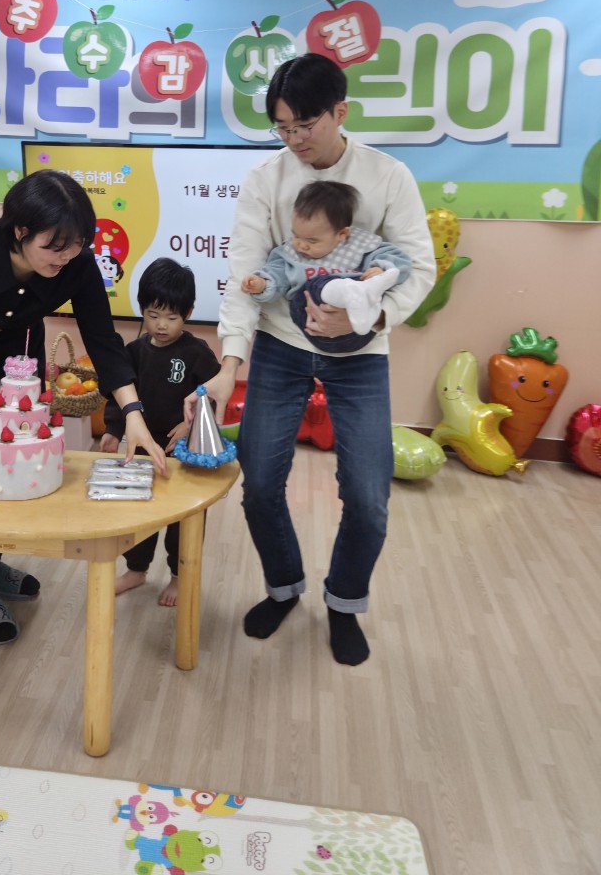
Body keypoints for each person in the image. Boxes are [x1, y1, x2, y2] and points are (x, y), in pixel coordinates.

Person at [188, 54, 434, 666]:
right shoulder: (265, 180)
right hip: (281, 345)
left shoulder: (388, 177)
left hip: (360, 355)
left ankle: (344, 603)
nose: (294, 139)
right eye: (282, 127)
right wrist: (229, 364)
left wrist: (371, 317)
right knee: (260, 484)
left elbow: (419, 266)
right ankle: (284, 587)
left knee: (369, 497)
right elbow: (246, 275)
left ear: (339, 112)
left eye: (305, 125)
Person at [0, 171, 166, 646]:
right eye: (54, 247)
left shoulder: (75, 263)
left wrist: (133, 414)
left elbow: (103, 339)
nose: (66, 257)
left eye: (77, 245)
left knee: (13, 469)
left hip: (16, 372)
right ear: (20, 230)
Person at [100, 258, 220, 607]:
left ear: (189, 313)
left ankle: (180, 575)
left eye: (171, 317)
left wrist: (191, 423)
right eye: (153, 315)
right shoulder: (135, 352)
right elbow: (121, 394)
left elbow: (211, 395)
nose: (161, 325)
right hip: (143, 451)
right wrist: (113, 429)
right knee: (139, 513)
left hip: (184, 454)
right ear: (142, 309)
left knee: (184, 519)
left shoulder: (197, 353)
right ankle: (136, 570)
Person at [241, 180, 412, 353]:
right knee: (314, 287)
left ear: (342, 234)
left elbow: (400, 259)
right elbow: (276, 274)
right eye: (296, 236)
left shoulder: (359, 246)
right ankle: (357, 292)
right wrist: (261, 284)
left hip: (358, 332)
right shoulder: (290, 254)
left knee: (345, 281)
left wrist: (380, 269)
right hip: (311, 324)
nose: (301, 245)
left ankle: (360, 294)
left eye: (312, 241)